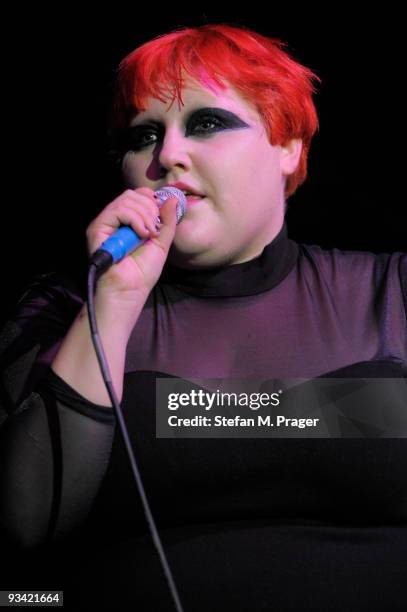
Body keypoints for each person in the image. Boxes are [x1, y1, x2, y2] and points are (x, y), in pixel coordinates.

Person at [0, 22, 406, 612]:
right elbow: (23, 527)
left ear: (287, 145)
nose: (166, 156)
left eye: (207, 123)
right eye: (143, 137)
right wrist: (113, 302)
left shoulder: (391, 293)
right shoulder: (65, 309)